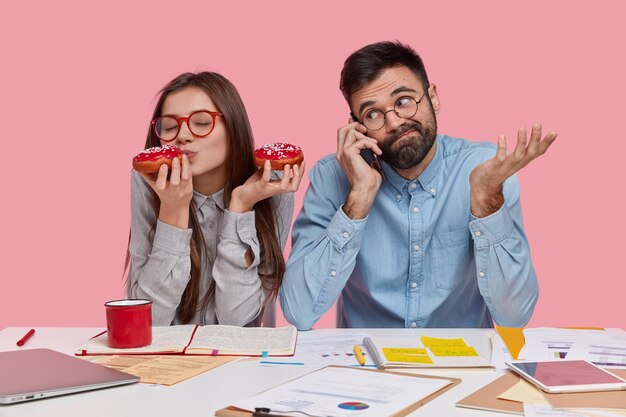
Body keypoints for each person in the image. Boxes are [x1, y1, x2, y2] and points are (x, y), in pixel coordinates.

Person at [279, 41, 557, 330]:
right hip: (366, 367)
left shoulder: (487, 169)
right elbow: (299, 312)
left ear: (433, 97)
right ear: (356, 126)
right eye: (373, 114)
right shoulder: (331, 176)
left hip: (463, 366)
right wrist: (357, 200)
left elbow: (515, 316)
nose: (395, 122)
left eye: (403, 101)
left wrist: (487, 201)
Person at [127, 72, 305, 326]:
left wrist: (241, 206)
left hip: (243, 360)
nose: (183, 136)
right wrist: (173, 211)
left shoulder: (271, 182)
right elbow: (145, 322)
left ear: (233, 127)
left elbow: (237, 320)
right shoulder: (149, 180)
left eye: (201, 123)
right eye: (169, 126)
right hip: (170, 359)